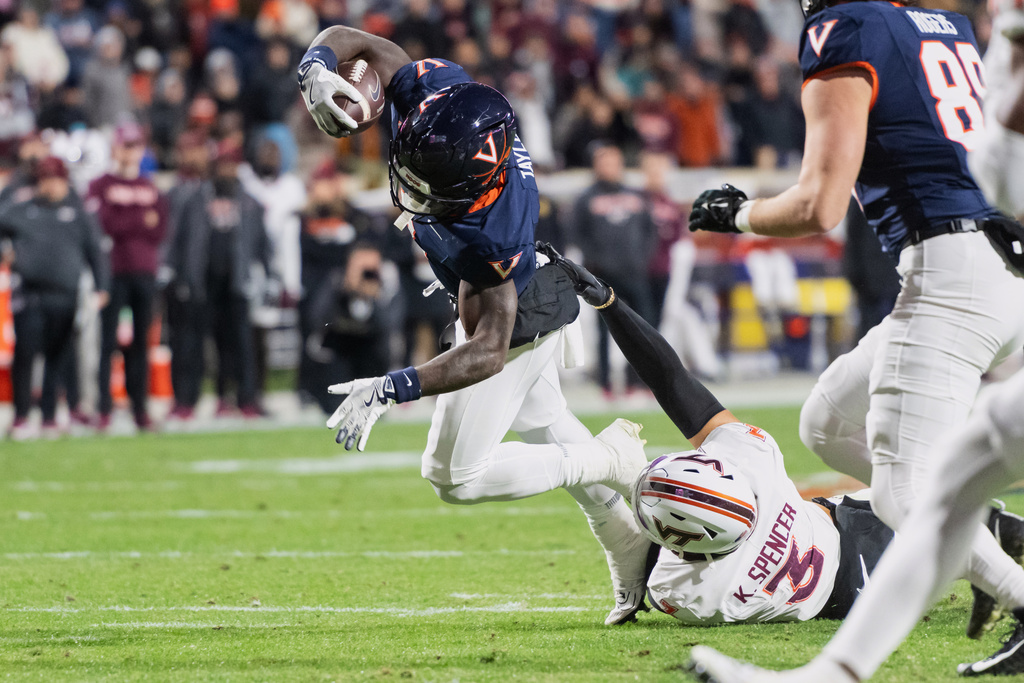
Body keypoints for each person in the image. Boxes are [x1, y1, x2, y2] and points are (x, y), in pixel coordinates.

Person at [684, 0, 1024, 650]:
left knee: (901, 494)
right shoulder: (942, 25)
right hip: (998, 267)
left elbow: (819, 205)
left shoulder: (844, 28)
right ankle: (984, 529)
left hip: (949, 272)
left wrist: (738, 215)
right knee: (827, 420)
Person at [297, 25, 652, 624]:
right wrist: (318, 68)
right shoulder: (446, 101)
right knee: (547, 425)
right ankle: (631, 547)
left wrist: (395, 386)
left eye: (426, 187)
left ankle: (611, 460)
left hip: (514, 319)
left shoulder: (494, 231)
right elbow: (373, 50)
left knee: (454, 477)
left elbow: (487, 348)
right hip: (504, 300)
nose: (409, 191)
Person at [540, 242, 911, 626]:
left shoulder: (689, 594)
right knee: (946, 510)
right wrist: (610, 304)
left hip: (844, 581)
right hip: (856, 548)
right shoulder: (754, 462)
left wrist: (608, 304)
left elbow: (671, 384)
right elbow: (673, 382)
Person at [0, 156, 109, 439]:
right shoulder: (21, 210)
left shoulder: (78, 214)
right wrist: (5, 253)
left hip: (65, 294)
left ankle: (49, 416)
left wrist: (102, 287)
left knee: (57, 357)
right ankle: (22, 416)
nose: (50, 185)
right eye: (45, 179)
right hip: (30, 294)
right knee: (25, 355)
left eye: (55, 179)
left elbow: (95, 251)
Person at [87, 122, 168, 431]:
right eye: (126, 145)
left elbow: (158, 229)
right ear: (115, 148)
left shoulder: (149, 186)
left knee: (141, 345)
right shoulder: (101, 184)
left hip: (144, 273)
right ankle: (104, 408)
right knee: (107, 343)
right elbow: (105, 225)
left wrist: (126, 216)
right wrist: (137, 219)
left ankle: (140, 409)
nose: (131, 152)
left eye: (136, 146)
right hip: (113, 273)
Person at [571, 141, 656, 398]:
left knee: (643, 329)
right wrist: (595, 262)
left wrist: (642, 258)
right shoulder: (586, 198)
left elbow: (650, 231)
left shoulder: (637, 195)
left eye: (613, 162)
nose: (609, 167)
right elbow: (576, 234)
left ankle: (638, 382)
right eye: (604, 162)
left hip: (635, 272)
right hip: (603, 277)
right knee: (604, 332)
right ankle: (606, 384)